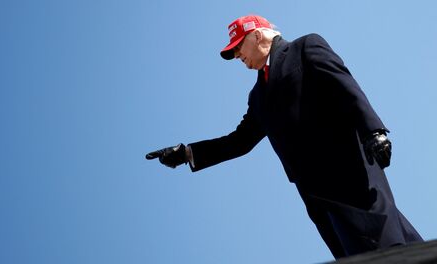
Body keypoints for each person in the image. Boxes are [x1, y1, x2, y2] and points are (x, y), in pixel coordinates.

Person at [145, 14, 423, 258]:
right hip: (318, 196)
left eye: (238, 46)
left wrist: (374, 131)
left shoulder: (305, 47)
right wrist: (186, 153)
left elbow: (344, 86)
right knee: (371, 253)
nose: (238, 55)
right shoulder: (258, 96)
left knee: (388, 246)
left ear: (257, 35)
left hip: (350, 171)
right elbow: (239, 141)